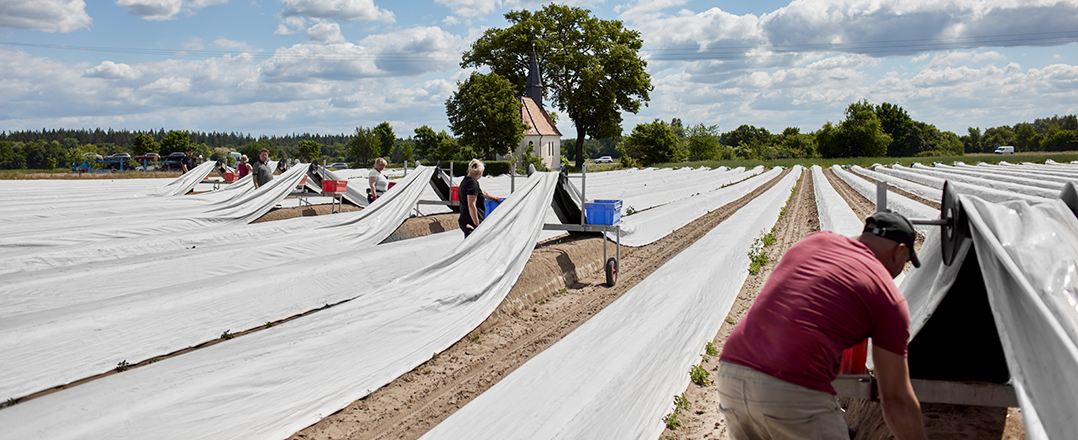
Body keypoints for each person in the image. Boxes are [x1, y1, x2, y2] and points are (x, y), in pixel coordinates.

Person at [718, 211, 927, 440]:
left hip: (732, 373)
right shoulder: (887, 296)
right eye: (906, 262)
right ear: (899, 251)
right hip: (791, 387)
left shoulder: (814, 242)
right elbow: (896, 399)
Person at [457, 159, 501, 238]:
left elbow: (481, 193)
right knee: (473, 247)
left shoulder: (466, 181)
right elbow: (471, 205)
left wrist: (493, 198)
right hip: (470, 222)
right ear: (480, 173)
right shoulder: (472, 184)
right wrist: (477, 225)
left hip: (465, 219)